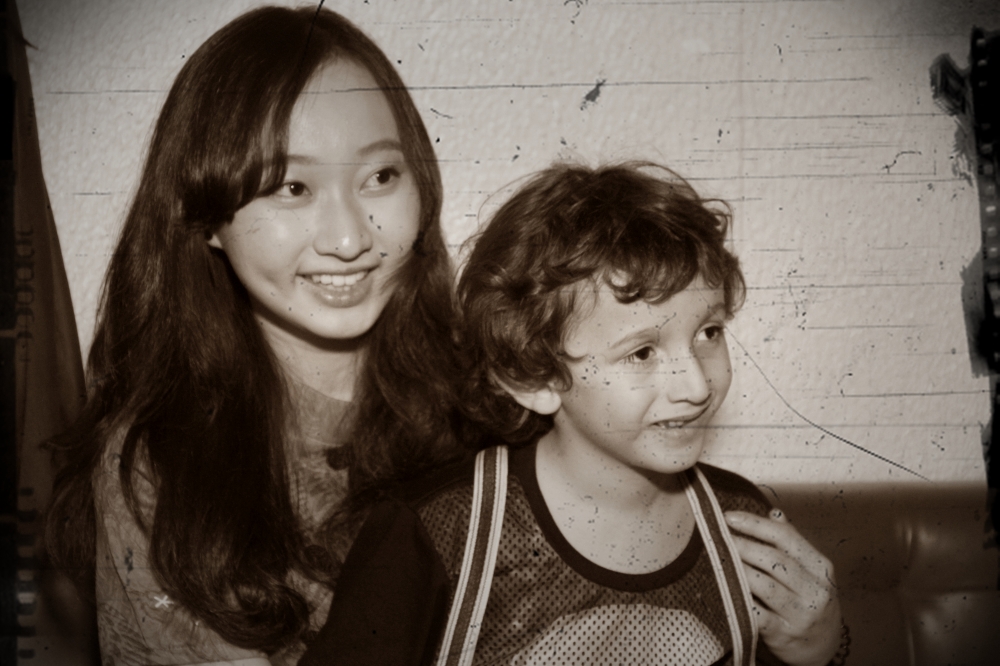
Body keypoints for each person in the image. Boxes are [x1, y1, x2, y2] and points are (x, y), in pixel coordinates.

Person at [43, 5, 464, 665]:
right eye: (292, 187)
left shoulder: (497, 403)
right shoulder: (162, 462)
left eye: (381, 177)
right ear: (207, 218)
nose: (349, 239)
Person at [300, 162, 846, 666]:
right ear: (532, 378)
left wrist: (821, 648)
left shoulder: (744, 524)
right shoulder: (436, 532)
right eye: (642, 352)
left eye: (709, 332)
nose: (697, 385)